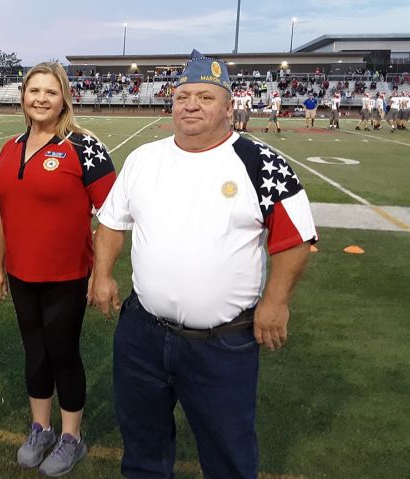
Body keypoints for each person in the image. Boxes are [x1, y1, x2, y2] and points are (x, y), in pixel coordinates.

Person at [90, 49, 318, 479]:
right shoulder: (144, 159)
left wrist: (276, 301)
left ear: (230, 106)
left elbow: (294, 239)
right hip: (142, 335)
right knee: (142, 450)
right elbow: (112, 223)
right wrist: (102, 276)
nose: (191, 104)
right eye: (183, 96)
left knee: (228, 455)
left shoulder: (260, 163)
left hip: (221, 344)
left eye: (205, 97)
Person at [0, 62, 116, 477]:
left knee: (63, 352)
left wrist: (101, 273)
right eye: (34, 91)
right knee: (35, 351)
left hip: (67, 275)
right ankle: (40, 428)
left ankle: (71, 437)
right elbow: (4, 212)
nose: (41, 98)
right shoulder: (10, 147)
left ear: (64, 98)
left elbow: (113, 214)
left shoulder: (83, 145)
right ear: (23, 96)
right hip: (21, 272)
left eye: (50, 91)